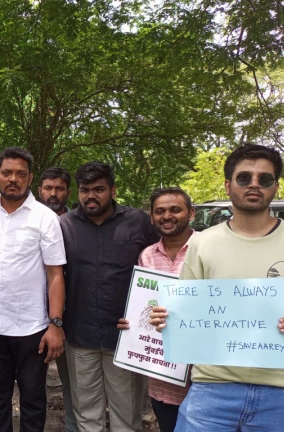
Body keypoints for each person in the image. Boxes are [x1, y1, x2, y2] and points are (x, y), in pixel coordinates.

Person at [149, 144, 284, 432]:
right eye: (244, 178)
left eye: (264, 179)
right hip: (211, 389)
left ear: (275, 187)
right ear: (228, 185)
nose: (254, 184)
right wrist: (167, 320)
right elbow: (186, 313)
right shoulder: (203, 242)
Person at [60, 161, 159, 432]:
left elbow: (161, 264)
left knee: (126, 418)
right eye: (85, 190)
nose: (91, 195)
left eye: (99, 189)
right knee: (86, 417)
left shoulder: (138, 221)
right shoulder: (64, 225)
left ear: (113, 190)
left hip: (126, 337)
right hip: (80, 336)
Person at [0, 148, 66, 432]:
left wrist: (55, 324)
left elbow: (55, 275)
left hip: (32, 329)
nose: (13, 179)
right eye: (7, 173)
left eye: (21, 174)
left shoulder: (44, 217)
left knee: (34, 399)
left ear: (30, 178)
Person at [116, 187, 196, 432]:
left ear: (191, 213)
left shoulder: (209, 248)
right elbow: (144, 304)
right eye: (160, 211)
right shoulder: (147, 256)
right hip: (162, 378)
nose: (167, 216)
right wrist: (131, 324)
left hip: (202, 379)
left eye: (175, 210)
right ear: (151, 217)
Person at [37, 166, 77, 432]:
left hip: (70, 318)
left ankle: (73, 427)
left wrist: (58, 322)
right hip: (32, 318)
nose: (54, 193)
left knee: (74, 385)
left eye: (59, 188)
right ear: (39, 190)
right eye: (48, 188)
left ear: (68, 192)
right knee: (32, 385)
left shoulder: (77, 224)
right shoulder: (30, 220)